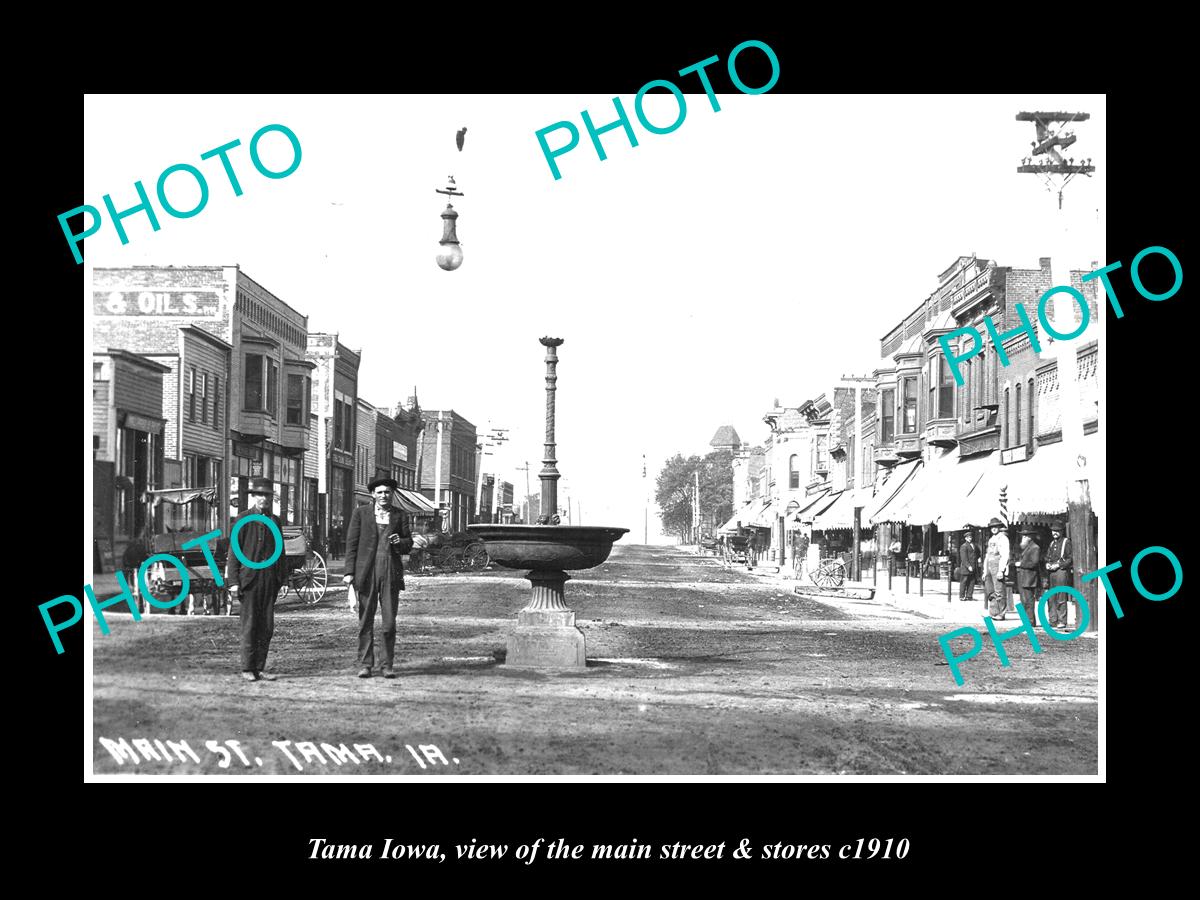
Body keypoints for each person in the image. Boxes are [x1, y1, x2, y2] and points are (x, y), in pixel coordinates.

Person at [343, 478, 429, 678]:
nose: (384, 496)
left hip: (390, 571)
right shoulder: (361, 514)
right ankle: (365, 664)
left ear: (392, 494)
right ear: (373, 494)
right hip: (367, 572)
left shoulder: (400, 515)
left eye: (387, 492)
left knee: (389, 623)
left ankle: (386, 665)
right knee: (365, 621)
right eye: (380, 492)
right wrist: (349, 572)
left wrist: (401, 542)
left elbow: (409, 544)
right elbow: (352, 544)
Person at [226, 478, 287, 682]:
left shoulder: (275, 521)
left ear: (271, 498)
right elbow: (234, 553)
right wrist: (233, 582)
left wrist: (281, 578)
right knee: (250, 625)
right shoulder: (243, 519)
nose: (264, 499)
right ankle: (247, 668)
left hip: (269, 580)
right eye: (260, 495)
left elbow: (281, 552)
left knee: (266, 627)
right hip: (249, 581)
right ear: (254, 497)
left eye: (267, 495)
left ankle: (260, 667)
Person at [1044, 521, 1074, 629]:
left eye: (1057, 531)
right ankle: (1053, 620)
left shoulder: (1066, 542)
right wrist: (1047, 563)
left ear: (1061, 531)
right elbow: (1047, 557)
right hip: (1051, 573)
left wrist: (1058, 565)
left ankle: (1062, 620)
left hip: (1061, 571)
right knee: (1051, 597)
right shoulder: (1052, 543)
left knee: (1061, 596)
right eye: (1053, 531)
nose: (1055, 533)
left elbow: (1070, 559)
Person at [983, 517, 1010, 620]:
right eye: (992, 527)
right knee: (991, 591)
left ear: (999, 527)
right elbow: (987, 555)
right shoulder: (991, 539)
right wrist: (985, 571)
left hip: (997, 564)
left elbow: (1005, 555)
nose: (993, 529)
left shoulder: (1003, 538)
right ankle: (993, 612)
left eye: (995, 527)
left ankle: (1001, 613)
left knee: (999, 591)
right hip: (990, 564)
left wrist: (1001, 570)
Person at [1015, 526, 1042, 625]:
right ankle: (1027, 620)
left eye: (1025, 536)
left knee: (1028, 601)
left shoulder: (1035, 548)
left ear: (1030, 537)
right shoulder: (1026, 548)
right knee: (1024, 600)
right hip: (1023, 577)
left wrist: (1020, 564)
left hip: (1029, 578)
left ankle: (1030, 621)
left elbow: (1034, 563)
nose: (1023, 538)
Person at [958, 530, 979, 602]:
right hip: (966, 567)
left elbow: (977, 553)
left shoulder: (974, 545)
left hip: (973, 566)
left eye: (970, 537)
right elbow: (964, 558)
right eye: (968, 537)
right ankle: (962, 596)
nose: (970, 538)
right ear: (965, 538)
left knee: (972, 581)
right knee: (964, 581)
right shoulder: (963, 546)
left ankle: (969, 596)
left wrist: (977, 560)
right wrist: (968, 566)